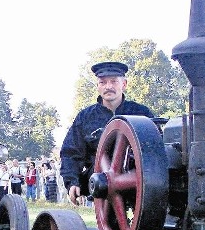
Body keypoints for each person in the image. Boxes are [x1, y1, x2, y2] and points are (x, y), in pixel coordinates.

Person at [60, 61, 155, 205]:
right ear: (98, 86)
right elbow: (71, 153)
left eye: (114, 81)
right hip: (102, 185)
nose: (108, 87)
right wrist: (72, 182)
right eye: (103, 82)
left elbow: (156, 148)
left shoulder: (142, 114)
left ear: (124, 84)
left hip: (140, 183)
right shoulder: (85, 117)